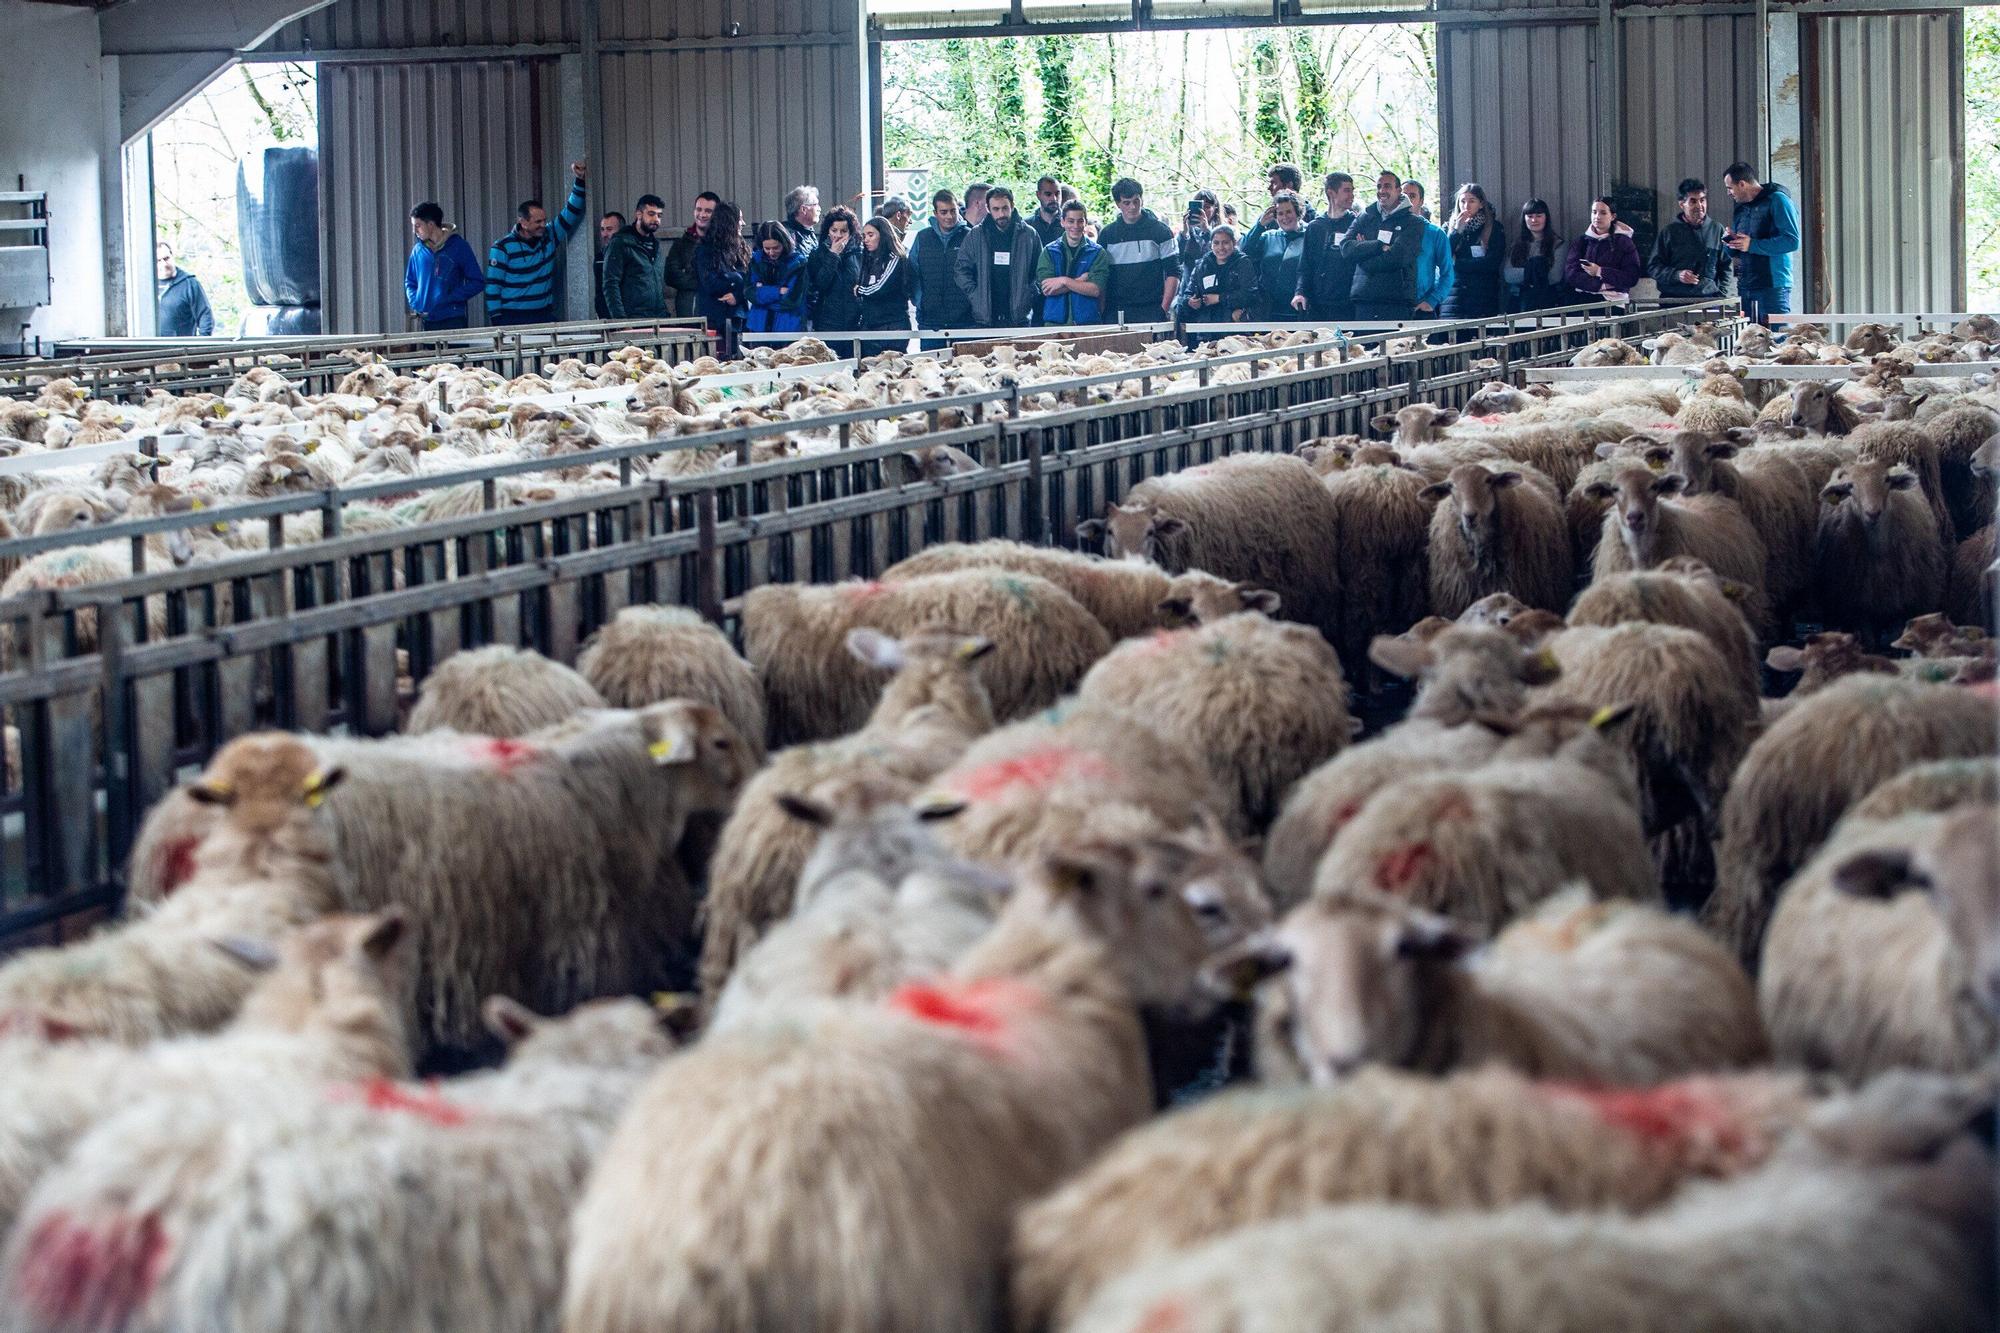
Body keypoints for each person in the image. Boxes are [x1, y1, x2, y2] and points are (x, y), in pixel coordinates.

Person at [486, 162, 588, 326]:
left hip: (543, 315)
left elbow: (571, 211)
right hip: (512, 319)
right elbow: (493, 288)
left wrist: (580, 180)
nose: (543, 225)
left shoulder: (550, 236)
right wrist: (497, 321)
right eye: (537, 221)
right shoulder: (502, 248)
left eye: (544, 220)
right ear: (523, 222)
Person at [953, 185, 1043, 329]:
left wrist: (1029, 293)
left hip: (1019, 317)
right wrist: (976, 295)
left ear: (1012, 206)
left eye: (1005, 208)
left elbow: (1040, 270)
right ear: (988, 209)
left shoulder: (1029, 235)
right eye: (996, 209)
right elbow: (961, 270)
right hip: (985, 317)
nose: (1001, 214)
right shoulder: (976, 235)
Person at [1338, 171, 1425, 320]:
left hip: (1397, 302)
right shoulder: (1365, 217)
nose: (1382, 191)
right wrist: (1378, 246)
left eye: (1387, 186)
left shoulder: (1414, 223)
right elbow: (1346, 247)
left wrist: (1362, 256)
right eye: (1379, 187)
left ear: (1398, 191)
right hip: (1364, 300)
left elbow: (1398, 257)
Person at [1721, 161, 1800, 325]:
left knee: (1776, 339)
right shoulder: (1741, 208)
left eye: (1730, 188)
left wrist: (1752, 245)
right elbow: (1737, 250)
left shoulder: (1778, 200)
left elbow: (1791, 241)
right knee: (1749, 341)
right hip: (1746, 284)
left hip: (1772, 285)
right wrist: (1730, 241)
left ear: (1742, 184)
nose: (1728, 193)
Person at [1096, 177, 1179, 324]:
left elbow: (1173, 273)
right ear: (1118, 204)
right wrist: (1102, 310)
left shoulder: (1161, 232)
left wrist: (1163, 309)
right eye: (1126, 203)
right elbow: (1102, 276)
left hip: (1151, 308)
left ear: (1142, 199)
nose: (1133, 207)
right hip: (1115, 310)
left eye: (1136, 201)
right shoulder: (1107, 235)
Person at [404, 201, 486, 331]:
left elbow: (477, 281)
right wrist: (417, 301)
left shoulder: (459, 246)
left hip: (453, 319)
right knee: (427, 352)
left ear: (430, 225)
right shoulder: (417, 251)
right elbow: (410, 281)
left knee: (456, 352)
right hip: (426, 320)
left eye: (418, 226)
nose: (415, 231)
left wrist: (452, 297)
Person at [1649, 177, 1731, 301]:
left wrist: (1721, 295)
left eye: (1702, 200)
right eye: (1693, 201)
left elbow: (1726, 266)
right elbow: (1653, 267)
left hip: (1708, 300)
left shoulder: (1717, 230)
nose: (1699, 205)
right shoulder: (1669, 232)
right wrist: (1677, 275)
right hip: (1673, 301)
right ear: (1682, 204)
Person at [1292, 172, 1358, 322]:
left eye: (1353, 191)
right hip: (1318, 303)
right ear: (1331, 193)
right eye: (1347, 190)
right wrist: (1300, 292)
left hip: (1348, 303)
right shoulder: (1315, 227)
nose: (1352, 195)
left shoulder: (1357, 223)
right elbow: (1305, 266)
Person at [1438, 182, 1505, 328]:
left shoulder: (1494, 228)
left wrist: (1459, 263)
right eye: (1462, 201)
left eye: (1471, 201)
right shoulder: (1448, 227)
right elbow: (1443, 257)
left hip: (1482, 297)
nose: (1466, 206)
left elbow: (1491, 263)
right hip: (1453, 298)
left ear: (1481, 204)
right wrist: (1456, 231)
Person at [911, 189, 973, 344]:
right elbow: (912, 273)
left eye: (953, 211)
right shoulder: (922, 237)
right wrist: (921, 302)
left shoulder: (970, 236)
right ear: (935, 213)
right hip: (930, 320)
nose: (949, 216)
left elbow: (980, 274)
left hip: (965, 320)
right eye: (944, 212)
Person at [1176, 223, 1254, 345]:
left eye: (1225, 242)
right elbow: (1187, 294)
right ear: (1211, 244)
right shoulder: (1202, 265)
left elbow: (1250, 294)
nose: (1221, 247)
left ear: (1234, 243)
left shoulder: (1243, 263)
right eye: (1216, 243)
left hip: (1234, 332)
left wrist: (1219, 298)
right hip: (1205, 331)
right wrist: (1190, 302)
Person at [1035, 201, 1109, 327]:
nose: (1076, 226)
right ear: (1062, 222)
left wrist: (1063, 281)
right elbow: (1047, 289)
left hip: (1088, 324)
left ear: (1085, 222)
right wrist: (1080, 280)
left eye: (1080, 221)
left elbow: (1095, 290)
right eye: (1071, 221)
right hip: (1055, 326)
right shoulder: (1049, 251)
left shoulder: (1098, 252)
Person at [601, 195, 671, 320]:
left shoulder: (657, 247)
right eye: (651, 214)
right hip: (634, 320)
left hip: (659, 320)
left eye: (659, 215)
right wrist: (621, 321)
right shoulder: (620, 243)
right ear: (639, 214)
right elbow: (610, 284)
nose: (656, 219)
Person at [854, 215, 915, 358]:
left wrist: (860, 290)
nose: (866, 240)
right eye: (864, 236)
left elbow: (881, 287)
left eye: (871, 235)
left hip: (892, 326)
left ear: (883, 235)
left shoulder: (895, 258)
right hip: (871, 325)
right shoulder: (867, 260)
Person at [695, 200, 750, 357]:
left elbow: (750, 280)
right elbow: (711, 283)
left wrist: (737, 293)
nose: (743, 223)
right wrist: (738, 279)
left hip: (739, 318)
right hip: (716, 320)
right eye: (739, 219)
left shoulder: (742, 248)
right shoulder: (706, 250)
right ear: (729, 222)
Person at [1244, 190, 1309, 322]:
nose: (1285, 217)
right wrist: (1260, 226)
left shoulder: (1310, 235)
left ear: (1298, 212)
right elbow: (1245, 251)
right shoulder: (1268, 237)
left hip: (1299, 306)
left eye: (1289, 212)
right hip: (1269, 307)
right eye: (1280, 213)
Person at [1564, 196, 1644, 300]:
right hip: (1582, 300)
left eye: (1603, 213)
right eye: (1594, 212)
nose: (1597, 216)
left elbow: (1631, 277)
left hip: (1613, 301)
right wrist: (1602, 286)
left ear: (1613, 216)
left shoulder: (1624, 243)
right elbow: (1571, 274)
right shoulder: (1581, 241)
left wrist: (1600, 271)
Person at [806, 206, 863, 339]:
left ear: (851, 232)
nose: (838, 235)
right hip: (827, 322)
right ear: (828, 231)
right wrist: (833, 255)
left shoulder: (860, 254)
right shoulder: (817, 255)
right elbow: (820, 284)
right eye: (834, 230)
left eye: (843, 231)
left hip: (855, 322)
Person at [745, 220, 809, 336]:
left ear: (784, 243)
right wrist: (778, 291)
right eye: (767, 248)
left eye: (776, 248)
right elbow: (749, 292)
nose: (771, 252)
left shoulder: (798, 263)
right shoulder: (756, 261)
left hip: (788, 329)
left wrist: (762, 295)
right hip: (759, 329)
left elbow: (792, 300)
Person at [1502, 199, 1566, 312]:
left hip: (1548, 303)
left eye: (1539, 215)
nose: (1534, 220)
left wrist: (1525, 274)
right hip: (1518, 302)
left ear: (1546, 217)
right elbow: (1508, 275)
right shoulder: (1516, 244)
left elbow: (1554, 277)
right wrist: (1536, 271)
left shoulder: (1558, 244)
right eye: (1529, 216)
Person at [665, 192, 718, 319]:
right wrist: (704, 282)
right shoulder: (680, 244)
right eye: (699, 209)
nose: (702, 215)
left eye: (708, 211)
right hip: (687, 315)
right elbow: (671, 276)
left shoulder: (723, 245)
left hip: (716, 315)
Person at [154, 242, 215, 337]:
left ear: (172, 256)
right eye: (159, 260)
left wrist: (199, 346)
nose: (164, 264)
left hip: (181, 349)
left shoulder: (190, 284)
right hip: (150, 348)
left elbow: (205, 316)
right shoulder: (145, 286)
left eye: (166, 258)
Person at [1411, 191, 1455, 321]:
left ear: (1421, 201)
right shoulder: (1389, 228)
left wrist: (1432, 300)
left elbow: (1447, 272)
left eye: (1412, 196)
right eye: (1403, 196)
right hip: (1394, 306)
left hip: (1422, 306)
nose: (1407, 200)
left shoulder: (1435, 233)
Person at [1178, 188, 1219, 283]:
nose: (1202, 211)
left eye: (1207, 207)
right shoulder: (1187, 233)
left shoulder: (1222, 232)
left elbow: (1220, 256)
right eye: (1199, 207)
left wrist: (1207, 231)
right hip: (1188, 287)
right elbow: (1176, 259)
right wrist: (1184, 233)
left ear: (1214, 209)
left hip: (1214, 285)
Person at [593, 211, 624, 318]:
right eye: (602, 229)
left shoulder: (629, 256)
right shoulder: (598, 258)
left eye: (609, 230)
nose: (604, 234)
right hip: (605, 317)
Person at [781, 185, 821, 261]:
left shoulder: (808, 232)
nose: (819, 209)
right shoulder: (789, 236)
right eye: (816, 204)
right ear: (803, 209)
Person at [1028, 176, 1066, 246]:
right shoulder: (1027, 226)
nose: (1054, 198)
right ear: (1038, 195)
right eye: (1048, 194)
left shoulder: (1070, 225)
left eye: (1057, 194)